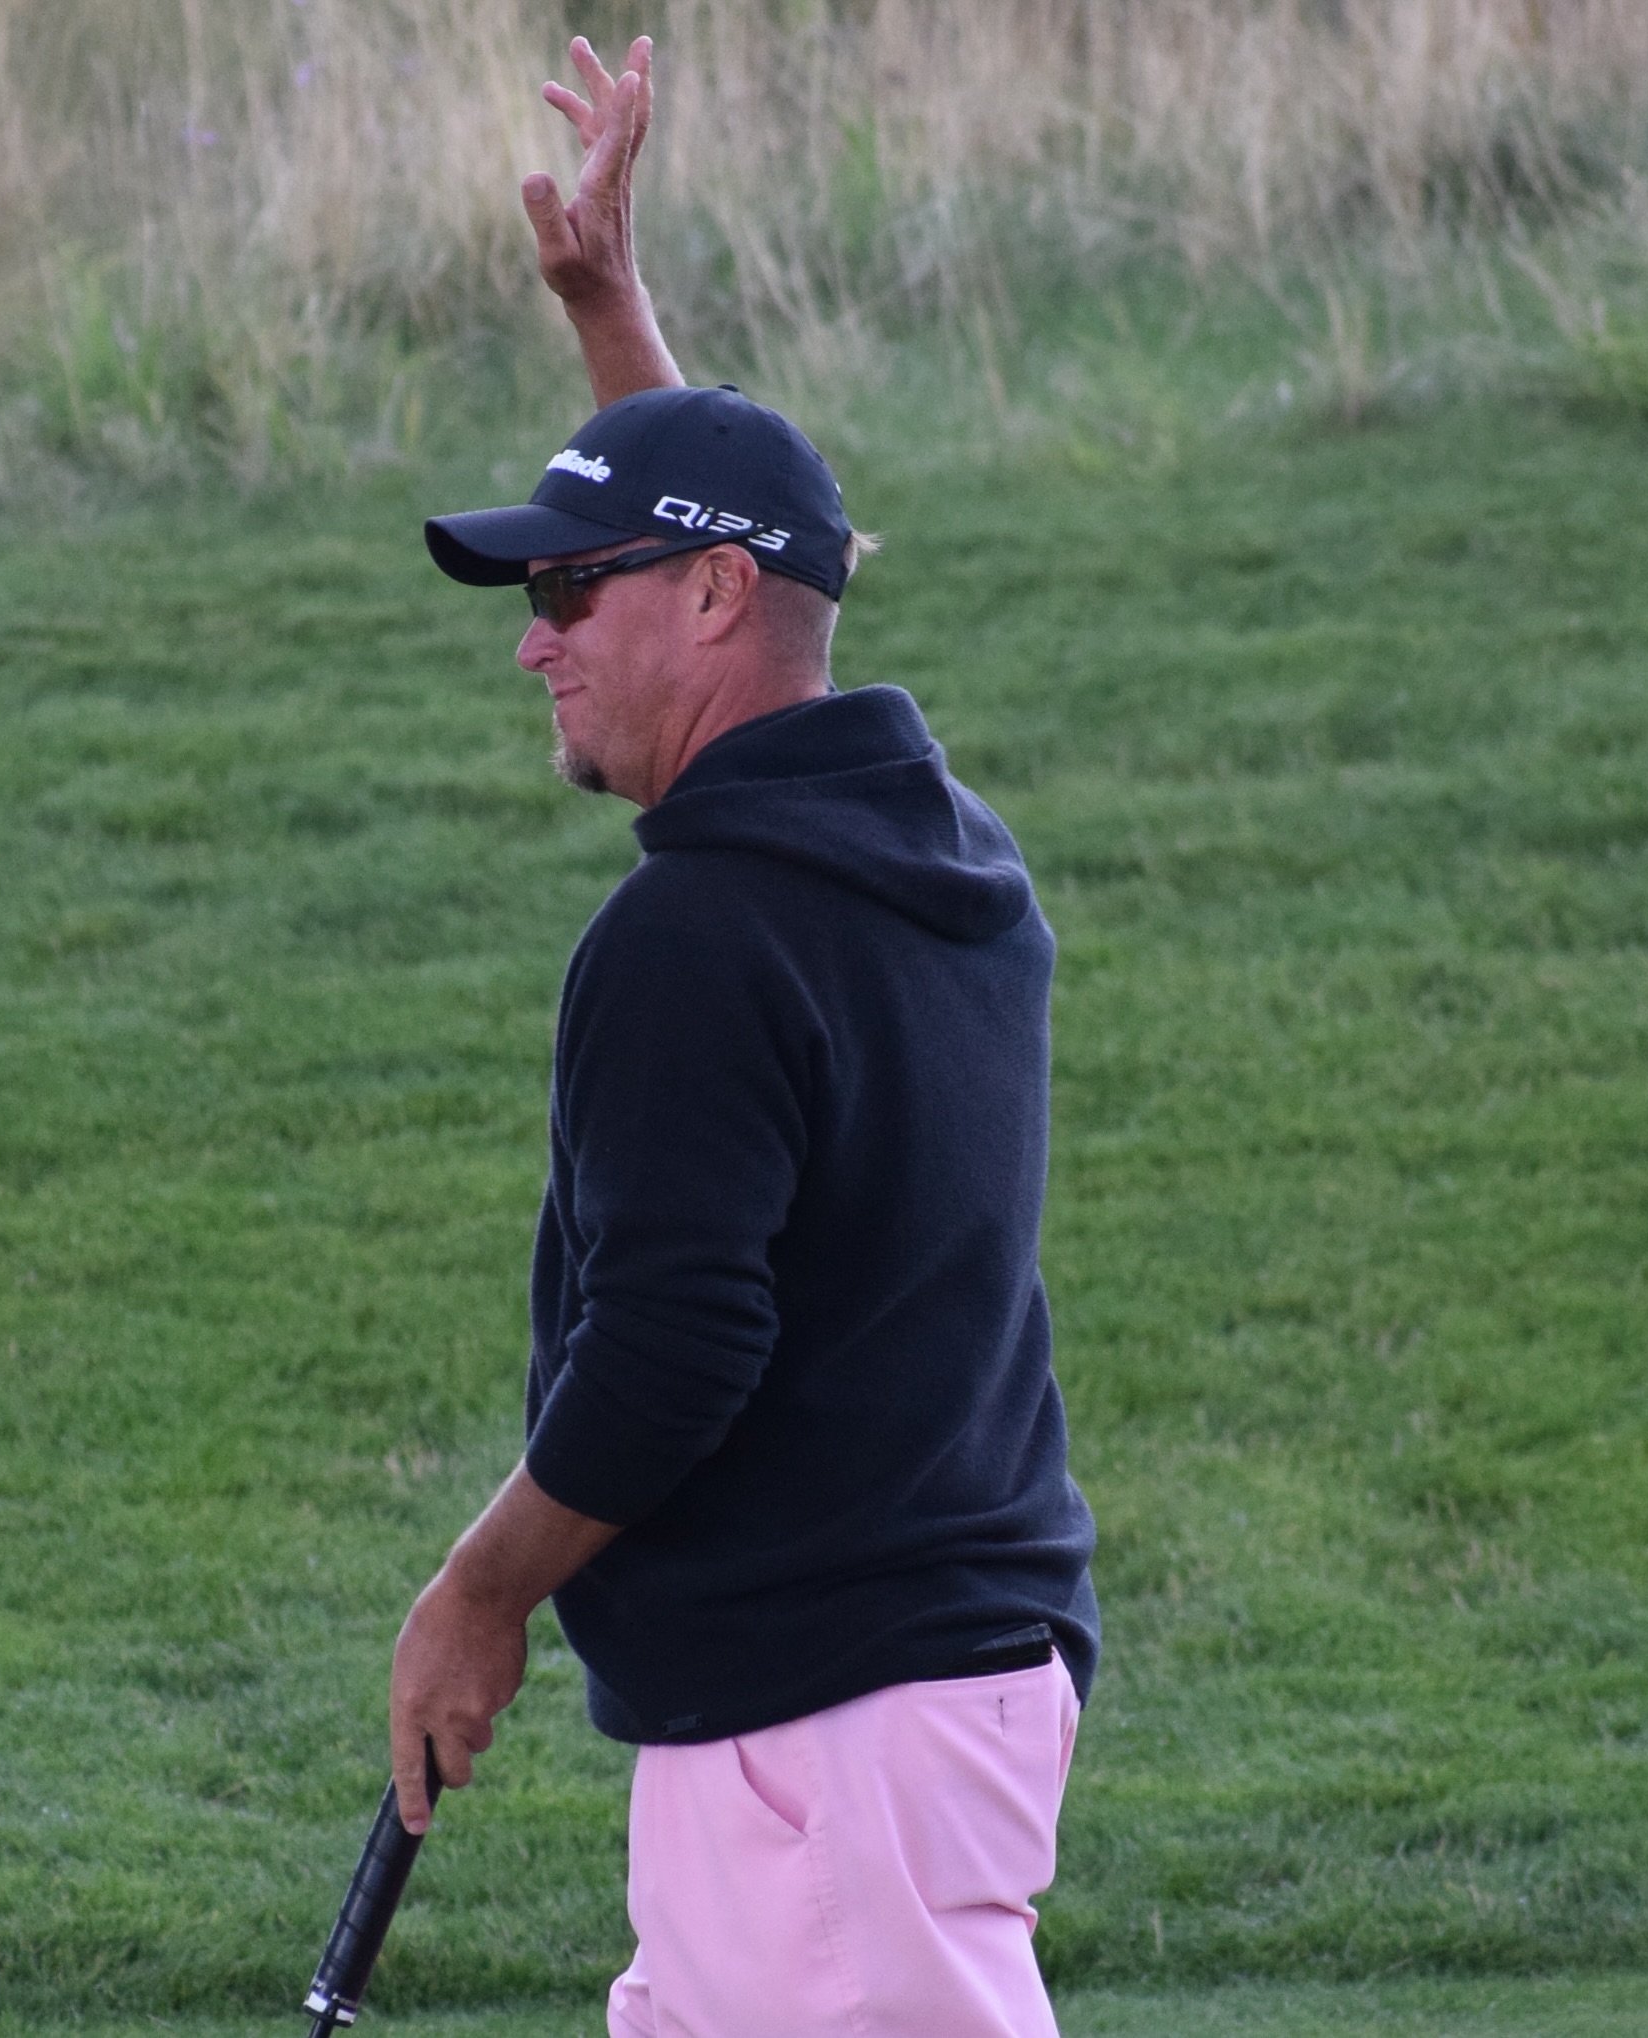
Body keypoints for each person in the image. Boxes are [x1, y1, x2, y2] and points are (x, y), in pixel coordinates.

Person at [388, 37, 1099, 2038]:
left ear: (704, 597)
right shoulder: (935, 846)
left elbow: (672, 1351)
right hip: (887, 1689)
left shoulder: (693, 939)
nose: (532, 635)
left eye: (567, 589)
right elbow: (771, 589)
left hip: (831, 1730)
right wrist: (613, 322)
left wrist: (477, 1594)